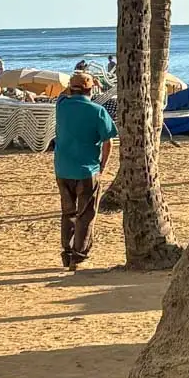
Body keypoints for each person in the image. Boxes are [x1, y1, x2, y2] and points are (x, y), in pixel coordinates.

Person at [53, 71, 117, 271]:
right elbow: (108, 142)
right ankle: (79, 256)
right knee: (86, 214)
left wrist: (74, 82)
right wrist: (103, 165)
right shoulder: (97, 111)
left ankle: (67, 252)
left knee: (68, 212)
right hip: (87, 169)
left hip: (63, 168)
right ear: (91, 90)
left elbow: (63, 94)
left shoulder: (62, 106)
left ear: (71, 89)